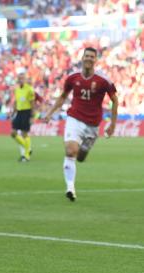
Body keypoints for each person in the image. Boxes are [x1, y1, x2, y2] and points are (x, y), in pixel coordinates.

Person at [43, 47, 118, 201]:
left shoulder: (103, 80)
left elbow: (115, 100)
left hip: (93, 124)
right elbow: (63, 96)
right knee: (71, 151)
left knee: (81, 157)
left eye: (92, 56)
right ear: (82, 58)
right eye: (87, 56)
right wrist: (50, 112)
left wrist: (112, 124)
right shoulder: (72, 78)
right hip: (74, 119)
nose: (89, 58)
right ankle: (70, 188)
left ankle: (82, 154)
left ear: (95, 60)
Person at [9, 68, 38, 162]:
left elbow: (32, 103)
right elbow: (16, 102)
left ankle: (26, 155)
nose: (21, 79)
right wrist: (13, 112)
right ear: (18, 79)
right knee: (13, 133)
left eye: (22, 77)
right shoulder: (16, 89)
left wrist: (32, 116)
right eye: (19, 78)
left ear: (25, 79)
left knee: (24, 133)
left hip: (26, 112)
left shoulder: (29, 89)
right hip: (19, 112)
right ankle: (28, 148)